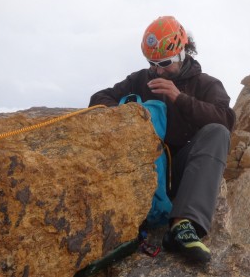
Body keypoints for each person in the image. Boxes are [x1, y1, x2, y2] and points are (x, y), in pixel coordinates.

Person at [88, 16, 235, 263]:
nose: (158, 70)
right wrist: (130, 111)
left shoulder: (205, 84)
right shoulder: (141, 79)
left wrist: (181, 98)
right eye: (153, 63)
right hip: (146, 168)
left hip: (183, 174)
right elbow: (100, 98)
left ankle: (183, 224)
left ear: (182, 53)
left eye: (165, 63)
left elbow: (226, 119)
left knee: (217, 133)